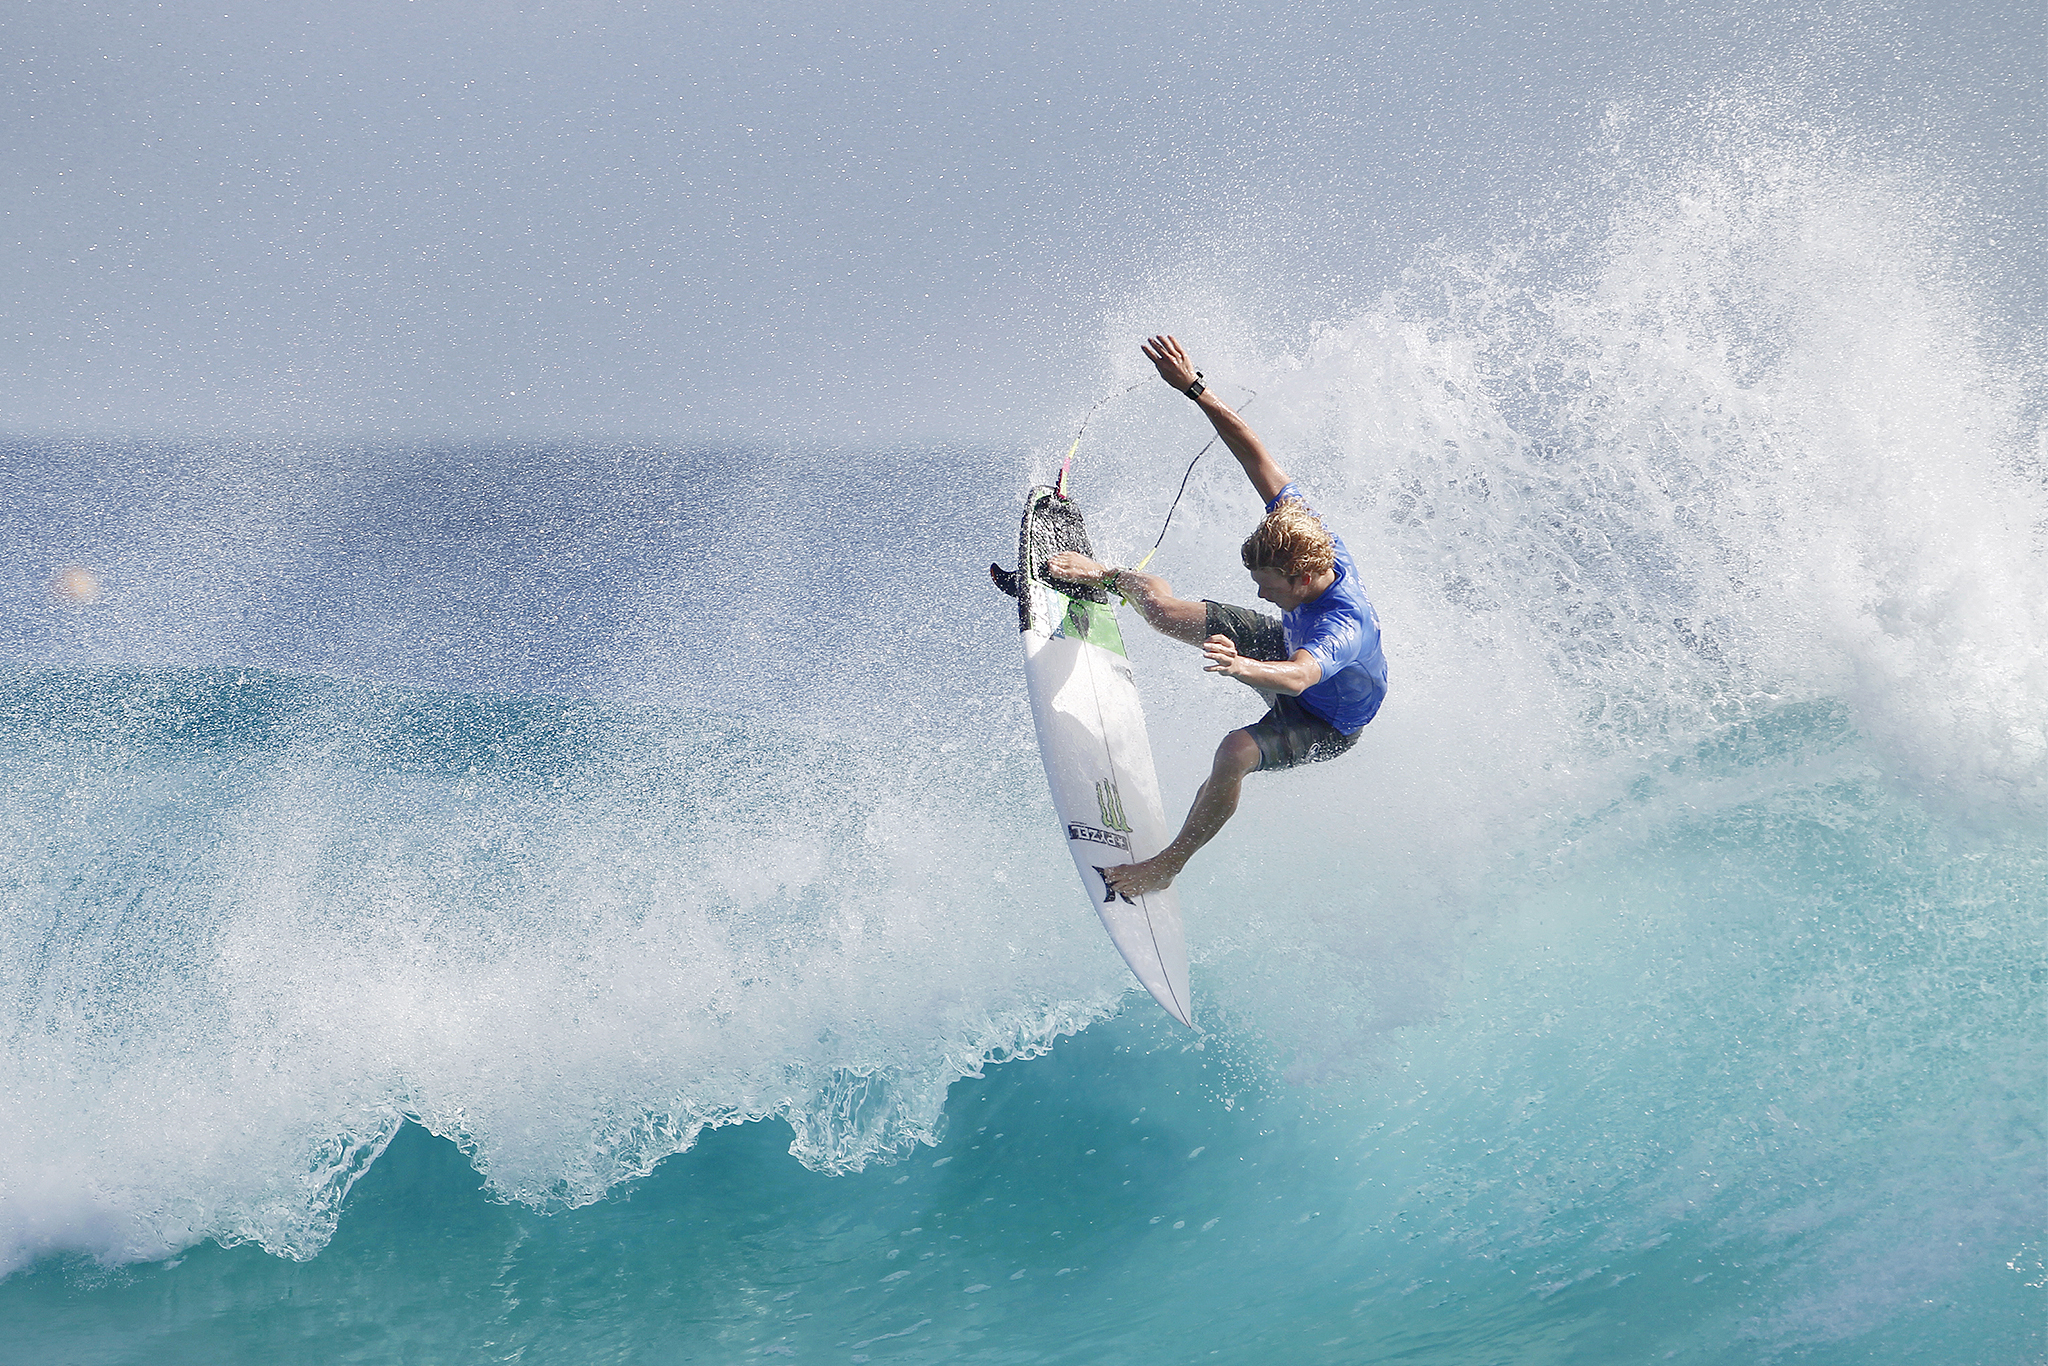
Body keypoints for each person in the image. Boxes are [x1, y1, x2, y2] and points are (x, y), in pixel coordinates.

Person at [1047, 334, 1387, 897]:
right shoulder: (1300, 531)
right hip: (1285, 654)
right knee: (1160, 609)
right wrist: (1195, 388)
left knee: (1235, 751)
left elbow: (1301, 676)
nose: (1261, 597)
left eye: (1269, 588)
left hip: (1326, 721)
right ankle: (1102, 576)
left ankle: (1166, 866)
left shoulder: (1342, 625)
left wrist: (1241, 667)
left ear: (1303, 579)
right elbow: (1254, 453)